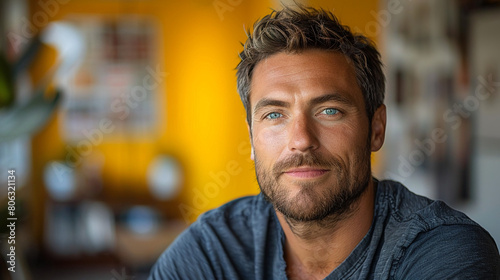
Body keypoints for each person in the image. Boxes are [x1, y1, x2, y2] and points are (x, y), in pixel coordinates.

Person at [149, 5, 500, 279]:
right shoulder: (214, 251)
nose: (301, 140)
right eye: (274, 115)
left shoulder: (442, 251)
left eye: (329, 111)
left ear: (376, 129)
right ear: (251, 137)